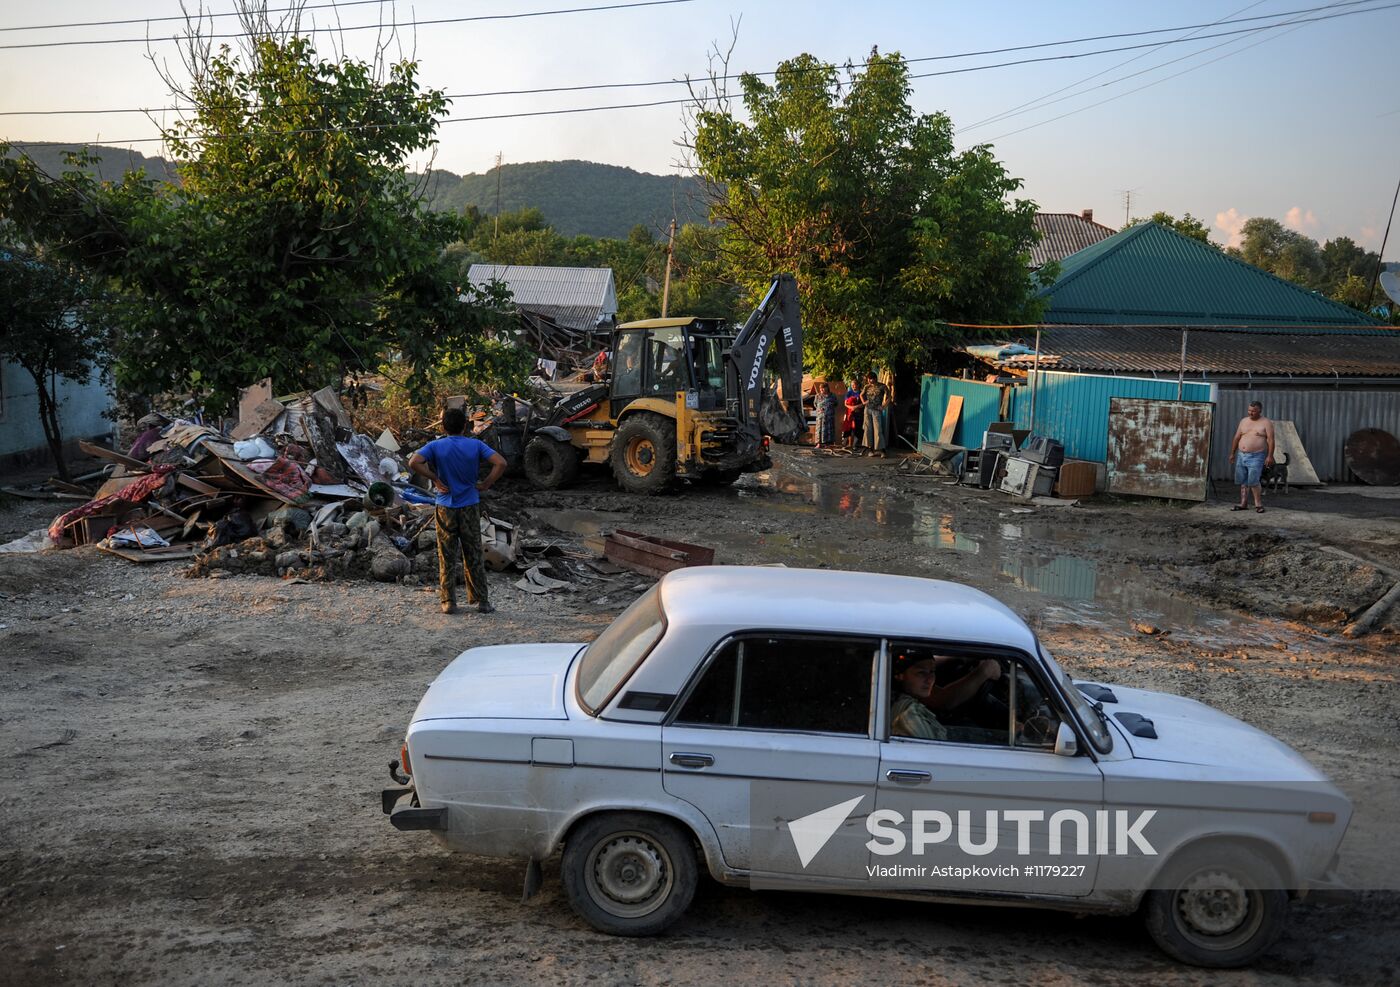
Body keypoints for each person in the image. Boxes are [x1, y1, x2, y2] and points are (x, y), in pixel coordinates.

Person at [408, 407, 508, 615]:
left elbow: (413, 462)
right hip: (470, 504)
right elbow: (500, 463)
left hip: (445, 506)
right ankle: (482, 601)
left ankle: (448, 602)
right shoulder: (475, 445)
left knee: (446, 554)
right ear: (465, 426)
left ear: (443, 427)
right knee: (473, 553)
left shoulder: (435, 446)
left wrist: (435, 478)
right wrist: (487, 483)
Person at [890, 652, 1003, 742]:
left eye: (932, 672)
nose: (930, 680)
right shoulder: (908, 714)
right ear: (899, 675)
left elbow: (922, 664)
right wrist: (984, 671)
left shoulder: (905, 695)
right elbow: (944, 700)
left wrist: (957, 658)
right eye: (921, 673)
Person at [1228, 401, 1275, 514]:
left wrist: (1270, 456)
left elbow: (1271, 440)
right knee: (1243, 480)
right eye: (1249, 410)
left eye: (1253, 411)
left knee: (1253, 480)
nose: (1251, 413)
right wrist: (1232, 453)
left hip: (1257, 456)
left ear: (1260, 411)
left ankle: (1258, 505)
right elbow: (1237, 437)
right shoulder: (1243, 421)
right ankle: (1243, 503)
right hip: (1241, 455)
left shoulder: (1266, 422)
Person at [859, 372, 889, 457]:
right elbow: (861, 395)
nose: (869, 381)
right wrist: (864, 402)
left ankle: (882, 450)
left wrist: (883, 406)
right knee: (868, 429)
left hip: (876, 410)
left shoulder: (882, 386)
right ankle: (870, 449)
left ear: (875, 378)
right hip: (867, 409)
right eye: (868, 379)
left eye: (871, 379)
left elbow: (889, 396)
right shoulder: (867, 386)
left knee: (878, 429)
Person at [813, 382, 839, 450]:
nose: (821, 390)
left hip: (829, 416)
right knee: (819, 430)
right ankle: (819, 444)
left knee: (829, 430)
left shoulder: (832, 396)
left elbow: (836, 404)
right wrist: (820, 409)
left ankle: (828, 444)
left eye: (823, 388)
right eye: (820, 389)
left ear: (827, 388)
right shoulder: (818, 396)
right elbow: (815, 404)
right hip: (820, 416)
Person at [842, 385, 862, 450]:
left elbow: (864, 403)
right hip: (849, 413)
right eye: (852, 385)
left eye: (855, 385)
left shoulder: (861, 393)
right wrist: (852, 408)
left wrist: (856, 407)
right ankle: (844, 444)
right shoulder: (849, 393)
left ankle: (854, 445)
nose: (854, 386)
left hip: (858, 413)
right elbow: (845, 404)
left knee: (857, 429)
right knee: (848, 428)